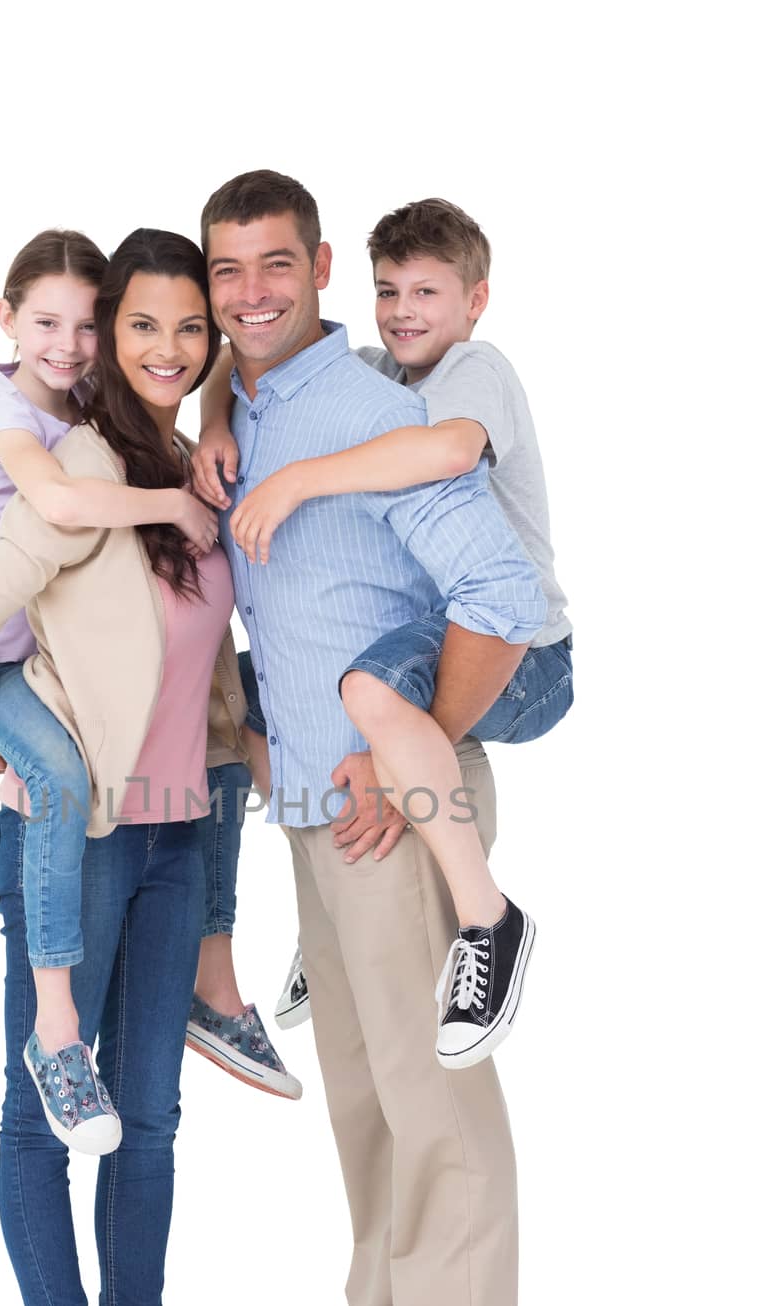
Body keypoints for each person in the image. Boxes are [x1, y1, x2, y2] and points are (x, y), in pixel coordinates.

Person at [198, 169, 545, 1306]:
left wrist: (417, 751)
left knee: (429, 1091)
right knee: (361, 1090)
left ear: (321, 265)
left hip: (392, 808)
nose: (248, 294)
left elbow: (502, 595)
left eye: (272, 265)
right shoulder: (248, 407)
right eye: (225, 270)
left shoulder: (359, 412)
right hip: (311, 809)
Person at [0, 228, 264, 1306]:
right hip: (85, 834)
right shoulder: (72, 459)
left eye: (191, 329)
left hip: (178, 833)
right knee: (41, 1112)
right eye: (141, 327)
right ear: (102, 337)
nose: (167, 350)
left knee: (152, 1119)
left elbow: (206, 661)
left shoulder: (186, 459)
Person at [196, 197, 572, 1069]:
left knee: (363, 690)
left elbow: (442, 454)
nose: (404, 312)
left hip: (524, 648)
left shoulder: (475, 372)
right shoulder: (381, 372)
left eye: (427, 293)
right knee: (243, 698)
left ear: (476, 300)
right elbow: (237, 355)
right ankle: (316, 916)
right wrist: (214, 420)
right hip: (444, 633)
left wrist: (294, 482)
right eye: (389, 291)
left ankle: (489, 920)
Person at [0, 229, 224, 1148]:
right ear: (5, 318)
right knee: (55, 784)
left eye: (83, 325)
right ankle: (57, 1030)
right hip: (9, 669)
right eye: (44, 322)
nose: (66, 344)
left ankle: (217, 981)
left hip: (57, 669)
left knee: (232, 737)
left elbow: (177, 363)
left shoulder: (85, 394)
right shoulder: (7, 405)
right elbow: (56, 505)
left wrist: (210, 429)